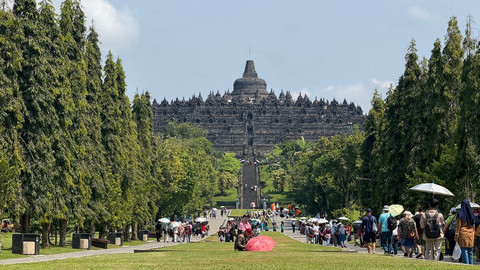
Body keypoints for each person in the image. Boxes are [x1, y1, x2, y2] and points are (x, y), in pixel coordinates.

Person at [455, 200, 475, 264]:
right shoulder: (472, 214)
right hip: (471, 233)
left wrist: (456, 236)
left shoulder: (460, 214)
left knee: (464, 250)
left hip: (463, 233)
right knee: (470, 251)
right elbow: (473, 225)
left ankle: (466, 265)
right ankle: (471, 265)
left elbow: (458, 226)